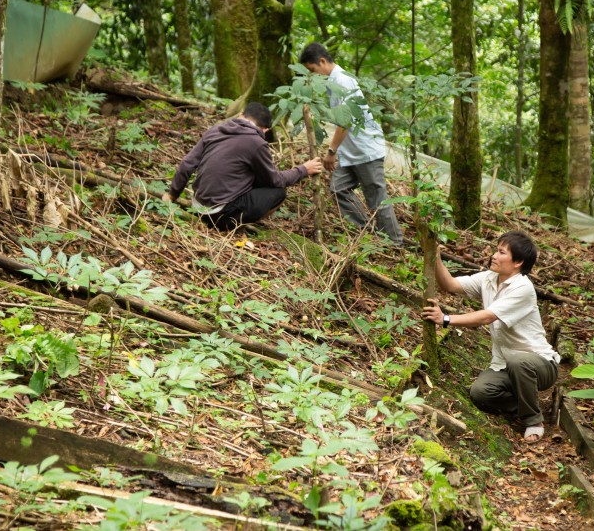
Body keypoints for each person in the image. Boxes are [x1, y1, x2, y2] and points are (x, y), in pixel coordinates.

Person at [421, 231, 560, 443]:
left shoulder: (522, 288)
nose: (493, 255)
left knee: (518, 360)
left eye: (501, 252)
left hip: (540, 364)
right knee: (480, 393)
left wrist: (446, 319)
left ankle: (533, 420)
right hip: (505, 364)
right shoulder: (489, 279)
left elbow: (487, 317)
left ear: (518, 262)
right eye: (496, 250)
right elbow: (450, 286)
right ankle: (522, 407)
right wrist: (435, 257)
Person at [298, 42, 403, 246]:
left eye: (313, 70)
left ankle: (395, 243)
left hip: (365, 150)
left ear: (322, 61)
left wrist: (331, 150)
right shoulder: (333, 81)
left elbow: (344, 121)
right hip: (352, 152)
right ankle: (369, 232)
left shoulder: (343, 82)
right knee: (339, 189)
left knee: (377, 200)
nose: (314, 76)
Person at [163, 102, 322, 231]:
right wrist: (304, 169)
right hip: (220, 214)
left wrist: (172, 195)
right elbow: (274, 180)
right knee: (278, 192)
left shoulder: (215, 130)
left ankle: (229, 220)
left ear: (241, 115)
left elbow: (187, 164)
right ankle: (235, 225)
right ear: (265, 130)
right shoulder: (257, 143)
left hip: (197, 207)